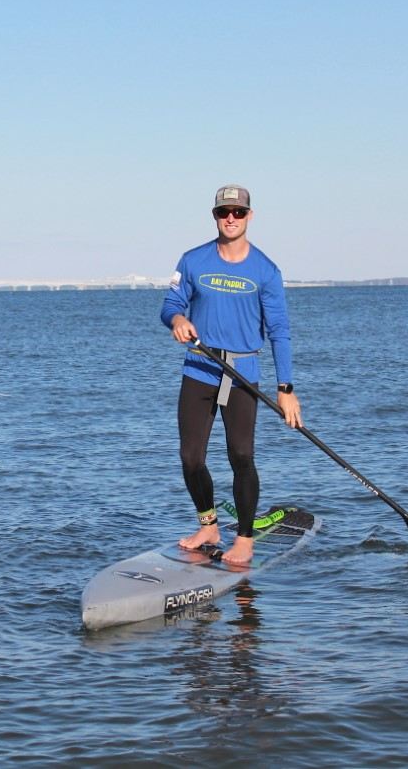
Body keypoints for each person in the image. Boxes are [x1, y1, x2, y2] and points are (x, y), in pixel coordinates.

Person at [160, 184, 302, 566]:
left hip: (242, 373)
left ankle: (244, 539)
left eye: (238, 213)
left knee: (241, 455)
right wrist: (177, 318)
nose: (231, 219)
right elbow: (170, 304)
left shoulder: (266, 271)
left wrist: (285, 388)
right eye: (224, 212)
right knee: (191, 458)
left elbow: (279, 331)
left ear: (250, 216)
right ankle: (208, 525)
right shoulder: (193, 261)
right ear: (215, 216)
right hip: (201, 367)